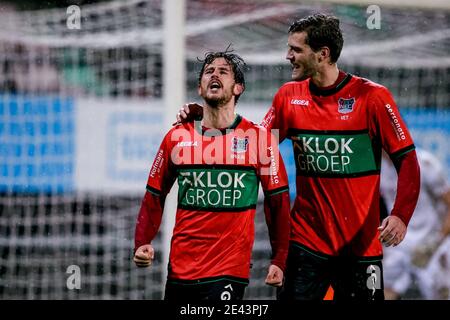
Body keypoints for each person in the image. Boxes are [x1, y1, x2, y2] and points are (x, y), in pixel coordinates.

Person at [176, 13, 421, 301]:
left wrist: (401, 215)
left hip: (360, 247)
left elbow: (408, 161)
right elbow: (251, 146)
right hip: (305, 243)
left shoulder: (372, 98)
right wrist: (207, 118)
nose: (287, 55)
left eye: (296, 49)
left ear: (322, 55)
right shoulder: (288, 97)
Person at [133, 50, 291, 300]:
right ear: (199, 87)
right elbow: (154, 194)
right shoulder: (177, 137)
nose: (214, 74)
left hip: (228, 271)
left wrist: (280, 259)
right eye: (209, 71)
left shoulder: (260, 140)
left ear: (238, 88)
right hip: (180, 270)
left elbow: (278, 205)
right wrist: (142, 240)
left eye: (223, 71)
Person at [381, 149, 450, 300]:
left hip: (431, 241)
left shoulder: (425, 164)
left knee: (440, 293)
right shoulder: (379, 168)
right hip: (398, 243)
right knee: (383, 290)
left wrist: (436, 242)